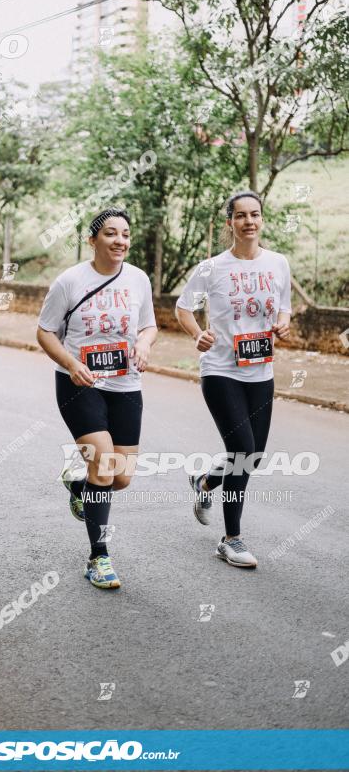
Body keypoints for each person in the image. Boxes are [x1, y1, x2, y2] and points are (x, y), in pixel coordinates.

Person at [36, 208, 157, 589]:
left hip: (126, 386)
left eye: (125, 234)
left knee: (120, 478)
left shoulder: (138, 279)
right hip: (79, 384)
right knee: (104, 467)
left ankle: (78, 485)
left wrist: (143, 342)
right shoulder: (69, 281)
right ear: (92, 241)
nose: (119, 240)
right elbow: (44, 333)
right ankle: (98, 558)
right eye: (109, 234)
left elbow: (150, 325)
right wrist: (71, 364)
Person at [175, 191, 291, 568]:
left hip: (261, 370)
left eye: (255, 214)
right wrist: (198, 334)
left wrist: (284, 322)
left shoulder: (278, 263)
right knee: (242, 450)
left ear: (262, 219)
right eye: (240, 216)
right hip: (221, 369)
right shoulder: (212, 268)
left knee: (252, 456)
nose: (249, 222)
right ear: (230, 223)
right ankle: (231, 540)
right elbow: (183, 307)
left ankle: (205, 481)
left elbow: (284, 307)